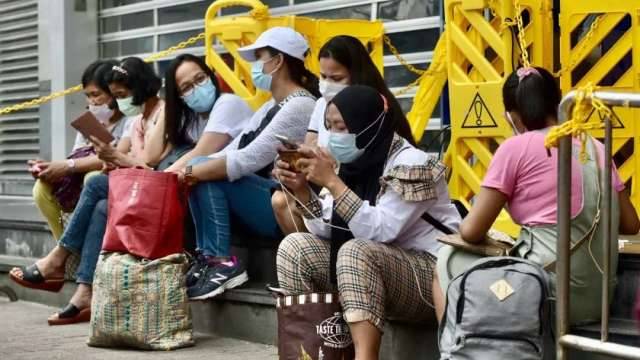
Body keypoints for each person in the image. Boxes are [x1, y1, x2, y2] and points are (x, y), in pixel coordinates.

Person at [436, 67, 640, 325]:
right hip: (598, 301)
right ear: (557, 103)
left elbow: (471, 231)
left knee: (448, 260)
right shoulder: (595, 146)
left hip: (546, 296)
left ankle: (456, 348)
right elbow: (631, 225)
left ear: (511, 116)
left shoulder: (515, 148)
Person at [274, 85, 460, 360]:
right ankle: (313, 352)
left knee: (356, 251)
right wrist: (302, 190)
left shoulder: (413, 164)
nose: (335, 136)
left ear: (368, 125)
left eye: (342, 127)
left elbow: (381, 230)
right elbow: (329, 227)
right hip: (376, 268)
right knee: (295, 247)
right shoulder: (353, 164)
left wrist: (332, 182)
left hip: (430, 277)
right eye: (329, 126)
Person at [9, 57, 165, 326]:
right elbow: (116, 156)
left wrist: (108, 156)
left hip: (152, 187)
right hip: (132, 185)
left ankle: (59, 258)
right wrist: (107, 154)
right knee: (100, 203)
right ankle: (84, 291)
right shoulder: (136, 118)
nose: (99, 102)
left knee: (95, 182)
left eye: (117, 95)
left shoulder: (160, 113)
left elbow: (145, 159)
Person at [182, 27, 318, 300]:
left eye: (259, 58)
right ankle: (210, 259)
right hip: (263, 198)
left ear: (278, 61)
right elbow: (234, 149)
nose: (255, 66)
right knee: (205, 167)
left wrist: (189, 171)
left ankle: (221, 263)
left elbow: (250, 158)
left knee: (205, 170)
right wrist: (192, 170)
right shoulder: (271, 106)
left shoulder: (301, 105)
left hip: (285, 204)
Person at [271, 35, 416, 235]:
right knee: (296, 236)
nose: (327, 84)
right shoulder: (322, 104)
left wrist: (331, 177)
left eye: (336, 78)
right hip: (335, 182)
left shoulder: (375, 113)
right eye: (323, 77)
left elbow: (379, 230)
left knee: (352, 248)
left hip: (359, 189)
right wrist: (300, 175)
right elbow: (324, 223)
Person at [30, 60, 131, 240]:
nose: (92, 101)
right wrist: (49, 168)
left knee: (93, 178)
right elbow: (77, 154)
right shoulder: (89, 122)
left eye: (96, 94)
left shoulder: (130, 120)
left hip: (120, 180)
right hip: (82, 180)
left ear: (114, 94)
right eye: (88, 96)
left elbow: (117, 157)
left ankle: (75, 247)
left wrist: (68, 165)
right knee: (41, 189)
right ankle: (63, 246)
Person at [156, 54, 253, 173]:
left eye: (200, 79)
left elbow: (201, 154)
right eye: (186, 88)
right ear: (179, 97)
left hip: (251, 178)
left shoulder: (228, 103)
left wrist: (162, 178)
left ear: (210, 76)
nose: (197, 88)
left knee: (194, 170)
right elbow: (151, 157)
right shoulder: (193, 118)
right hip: (223, 177)